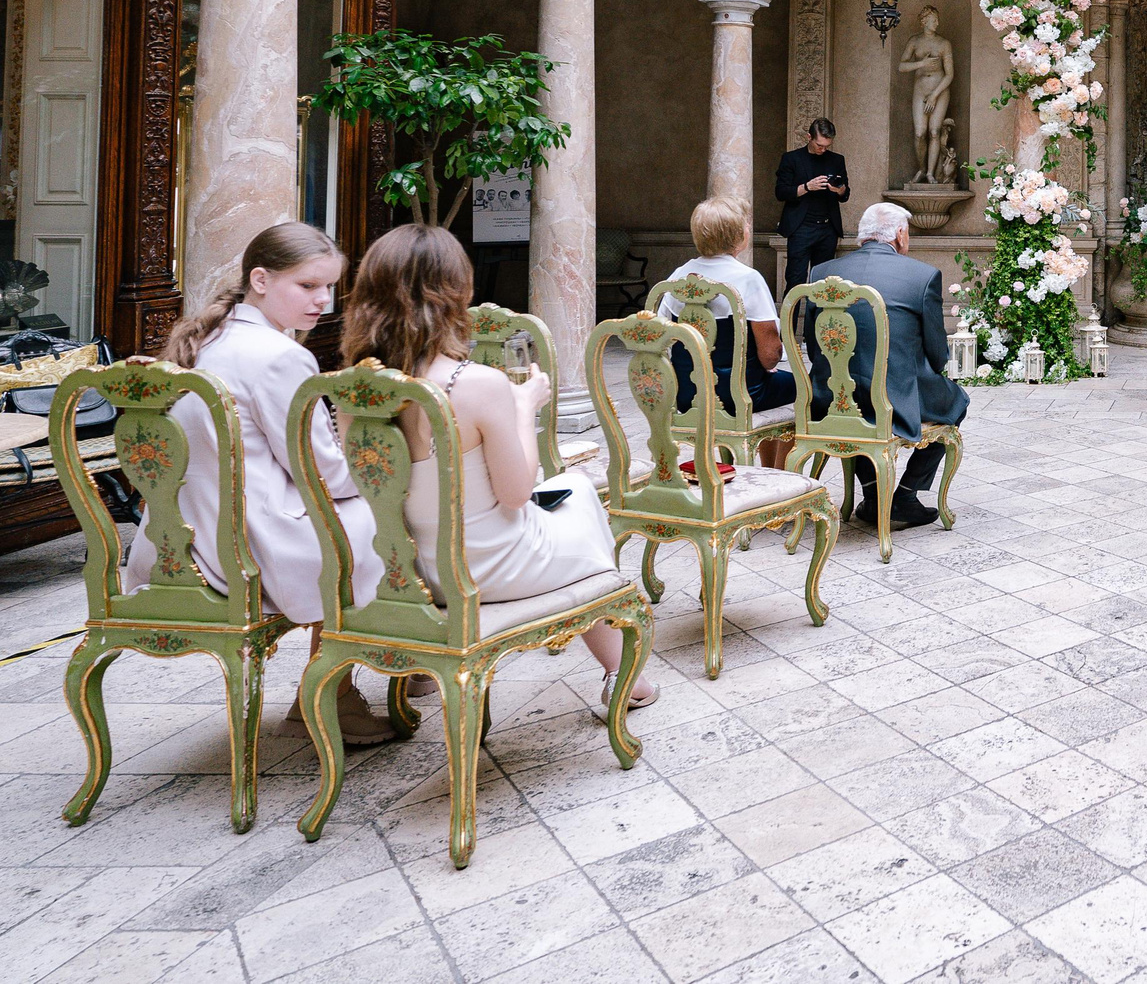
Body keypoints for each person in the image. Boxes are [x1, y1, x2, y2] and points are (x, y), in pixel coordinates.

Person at [345, 224, 653, 711]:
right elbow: (516, 494)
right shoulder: (475, 383)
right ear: (455, 292)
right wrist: (524, 406)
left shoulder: (349, 390)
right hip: (487, 568)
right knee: (577, 489)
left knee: (567, 495)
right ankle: (621, 671)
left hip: (402, 574)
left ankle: (421, 674)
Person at [139, 223, 398, 745]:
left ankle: (383, 677)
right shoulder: (281, 356)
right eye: (307, 286)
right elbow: (322, 474)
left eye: (329, 287)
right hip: (250, 545)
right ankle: (337, 690)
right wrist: (391, 460)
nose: (322, 301)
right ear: (260, 279)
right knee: (392, 517)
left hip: (175, 540)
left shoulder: (209, 337)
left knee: (371, 513)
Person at [805, 202, 970, 530]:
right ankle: (905, 496)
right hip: (892, 399)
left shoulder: (820, 274)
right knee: (956, 400)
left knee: (850, 405)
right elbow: (938, 356)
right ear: (898, 234)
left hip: (830, 397)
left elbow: (813, 345)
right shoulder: (921, 275)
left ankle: (871, 494)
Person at [659, 197, 797, 431]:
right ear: (739, 236)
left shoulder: (678, 277)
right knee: (803, 385)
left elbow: (662, 340)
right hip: (740, 395)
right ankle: (773, 466)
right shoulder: (747, 279)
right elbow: (770, 355)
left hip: (686, 395)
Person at [774, 118, 846, 292]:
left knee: (823, 285)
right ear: (809, 137)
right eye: (819, 145)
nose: (823, 149)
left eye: (826, 146)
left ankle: (817, 320)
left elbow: (845, 194)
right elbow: (781, 192)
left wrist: (839, 190)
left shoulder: (836, 160)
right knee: (795, 281)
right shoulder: (792, 159)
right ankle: (789, 320)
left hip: (828, 228)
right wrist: (807, 187)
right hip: (801, 228)